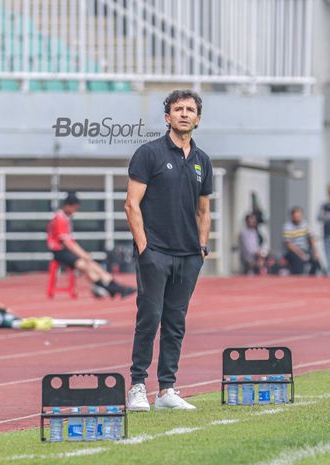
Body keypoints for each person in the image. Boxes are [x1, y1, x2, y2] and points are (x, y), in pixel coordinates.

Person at [124, 89, 212, 411]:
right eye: (178, 109)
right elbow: (131, 205)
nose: (184, 114)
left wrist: (201, 248)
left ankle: (166, 391)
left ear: (198, 119)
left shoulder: (203, 161)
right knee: (150, 317)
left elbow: (204, 211)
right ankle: (136, 385)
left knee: (176, 322)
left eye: (190, 109)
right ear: (167, 117)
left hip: (189, 255)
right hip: (155, 252)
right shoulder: (148, 154)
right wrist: (144, 248)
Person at [46, 192, 135, 299]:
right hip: (60, 252)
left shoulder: (64, 218)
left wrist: (83, 255)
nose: (75, 211)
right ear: (69, 205)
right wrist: (82, 254)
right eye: (75, 208)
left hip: (65, 250)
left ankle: (113, 287)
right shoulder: (60, 218)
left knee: (89, 263)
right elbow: (67, 243)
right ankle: (111, 287)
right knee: (84, 264)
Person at [283, 207, 321, 276]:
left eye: (299, 216)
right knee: (298, 264)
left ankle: (311, 279)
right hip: (293, 251)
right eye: (295, 216)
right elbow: (288, 244)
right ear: (292, 216)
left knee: (316, 262)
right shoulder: (288, 226)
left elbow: (311, 238)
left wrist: (315, 251)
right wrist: (301, 254)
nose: (297, 218)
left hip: (305, 250)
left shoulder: (305, 224)